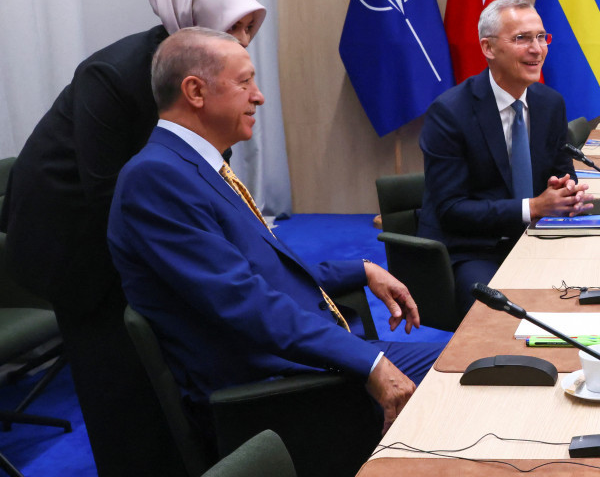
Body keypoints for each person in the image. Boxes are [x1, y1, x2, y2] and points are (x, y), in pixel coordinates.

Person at [0, 0, 266, 477]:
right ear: (194, 16)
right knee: (114, 360)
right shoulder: (113, 72)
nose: (242, 41)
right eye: (234, 26)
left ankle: (187, 475)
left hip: (133, 219)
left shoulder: (202, 70)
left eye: (248, 29)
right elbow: (104, 189)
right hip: (70, 232)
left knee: (159, 350)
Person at [107, 27, 444, 438]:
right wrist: (369, 363)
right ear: (195, 91)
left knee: (482, 363)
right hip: (270, 390)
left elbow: (263, 269)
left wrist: (361, 269)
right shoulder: (157, 178)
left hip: (295, 360)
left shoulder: (192, 166)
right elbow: (243, 301)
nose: (259, 96)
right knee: (470, 370)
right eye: (245, 81)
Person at [418, 0, 592, 311]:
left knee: (596, 288)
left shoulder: (550, 103)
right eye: (521, 39)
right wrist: (534, 206)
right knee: (498, 314)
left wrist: (566, 192)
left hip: (538, 237)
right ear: (488, 48)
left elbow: (564, 171)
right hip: (474, 248)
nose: (537, 49)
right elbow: (451, 209)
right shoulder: (450, 112)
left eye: (541, 37)